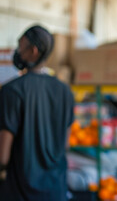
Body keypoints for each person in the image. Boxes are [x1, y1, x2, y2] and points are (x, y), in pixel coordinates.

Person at [0, 25, 74, 200]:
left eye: (20, 46)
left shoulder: (12, 90)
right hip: (56, 190)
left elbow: (3, 154)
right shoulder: (65, 91)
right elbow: (65, 145)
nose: (17, 52)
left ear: (33, 51)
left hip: (20, 191)